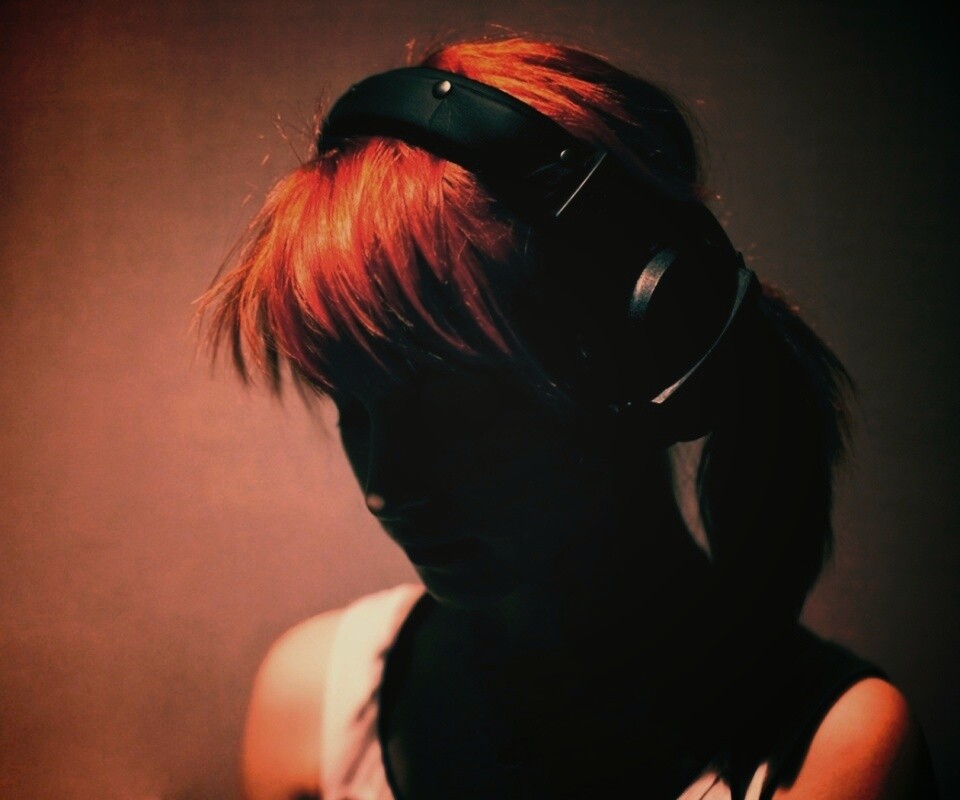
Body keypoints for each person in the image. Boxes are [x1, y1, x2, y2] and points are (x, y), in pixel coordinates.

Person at [199, 36, 937, 800]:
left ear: (646, 349)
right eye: (350, 407)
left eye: (452, 408)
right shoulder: (310, 706)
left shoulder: (837, 754)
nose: (385, 483)